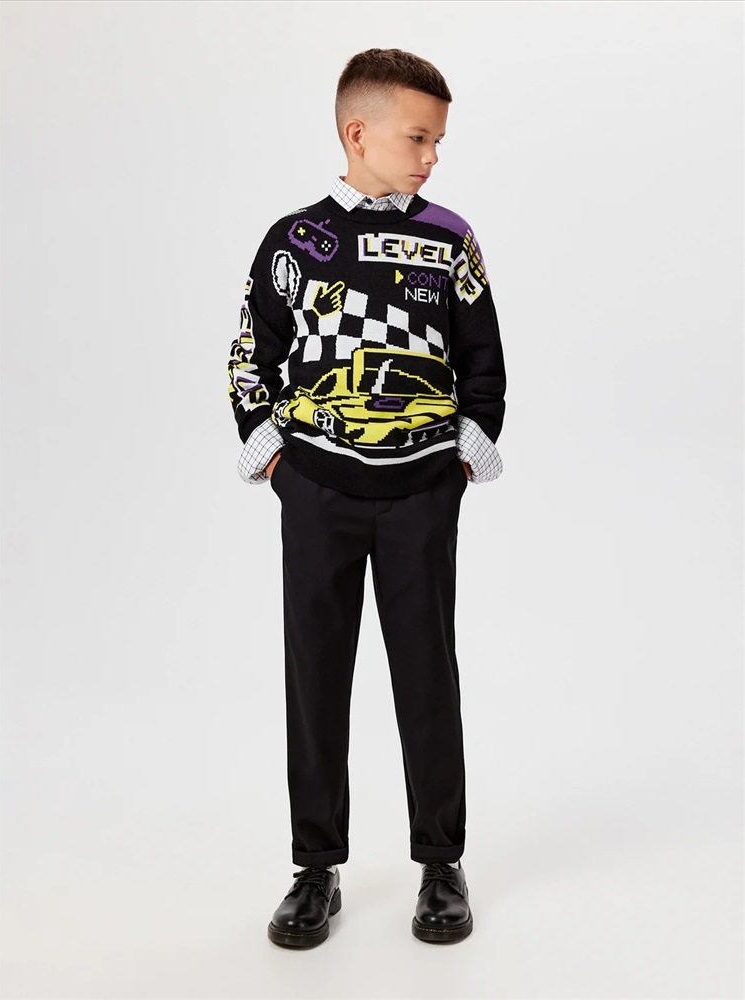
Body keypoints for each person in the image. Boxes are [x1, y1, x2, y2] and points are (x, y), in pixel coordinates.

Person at [227, 47, 506, 948]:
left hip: (422, 490)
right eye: (418, 137)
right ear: (358, 132)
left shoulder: (450, 238)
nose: (432, 156)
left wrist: (460, 462)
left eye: (438, 140)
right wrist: (279, 465)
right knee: (316, 676)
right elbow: (252, 356)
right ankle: (315, 868)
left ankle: (441, 862)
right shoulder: (294, 241)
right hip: (318, 491)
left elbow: (484, 358)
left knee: (427, 674)